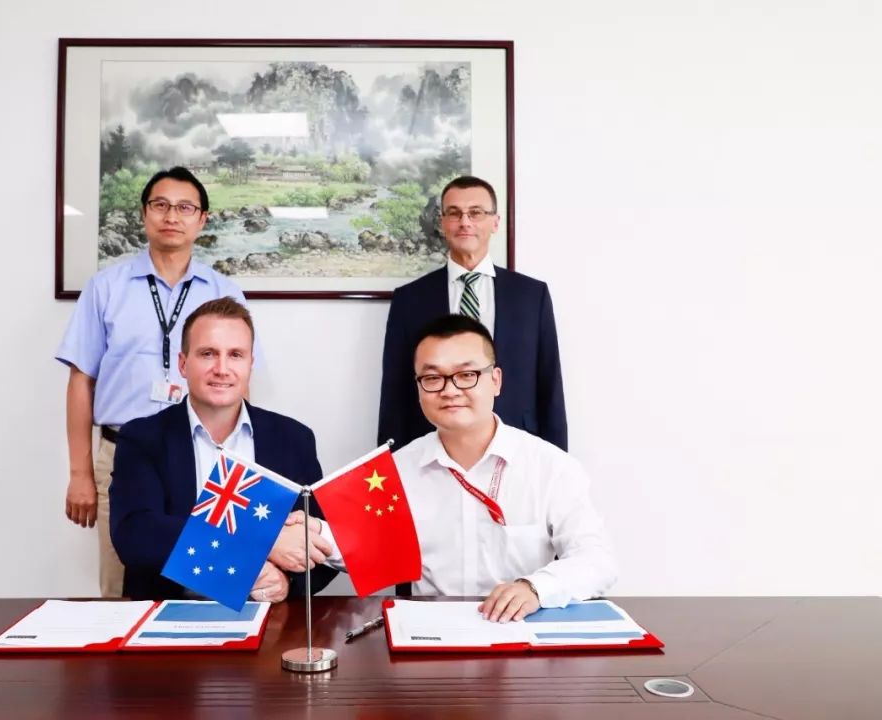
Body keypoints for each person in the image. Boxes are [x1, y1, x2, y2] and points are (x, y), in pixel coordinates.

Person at [313, 314, 615, 622]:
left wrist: (535, 588)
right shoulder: (396, 469)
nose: (450, 390)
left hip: (520, 628)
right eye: (433, 378)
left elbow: (597, 559)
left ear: (495, 380)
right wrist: (314, 533)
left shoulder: (550, 466)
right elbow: (363, 546)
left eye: (467, 374)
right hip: (430, 631)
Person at [55, 167, 261, 597]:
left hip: (207, 456)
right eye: (160, 205)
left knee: (216, 584)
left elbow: (237, 381)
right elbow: (81, 380)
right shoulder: (106, 288)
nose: (172, 216)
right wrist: (80, 474)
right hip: (123, 455)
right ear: (144, 214)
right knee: (124, 590)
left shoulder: (223, 292)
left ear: (202, 219)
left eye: (185, 207)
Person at [108, 298, 337, 601]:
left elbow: (322, 541)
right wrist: (261, 543)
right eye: (208, 354)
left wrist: (287, 583)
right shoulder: (142, 438)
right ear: (183, 363)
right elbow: (136, 536)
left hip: (266, 614)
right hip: (171, 612)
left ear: (250, 364)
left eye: (235, 355)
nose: (222, 369)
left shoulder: (293, 438)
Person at [378, 176, 567, 452]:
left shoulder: (530, 295)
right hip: (431, 448)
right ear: (442, 223)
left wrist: (556, 458)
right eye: (454, 213)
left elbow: (549, 384)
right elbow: (395, 391)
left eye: (476, 213)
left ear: (495, 222)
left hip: (518, 445)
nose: (464, 222)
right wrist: (388, 464)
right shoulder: (410, 299)